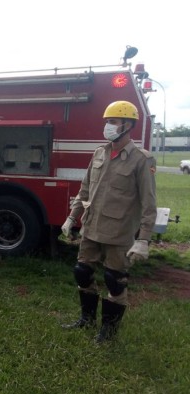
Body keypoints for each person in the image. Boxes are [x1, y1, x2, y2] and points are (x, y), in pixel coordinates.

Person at [61, 100, 157, 343]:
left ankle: (108, 332)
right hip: (91, 228)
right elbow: (85, 190)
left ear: (128, 125)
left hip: (119, 233)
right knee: (82, 272)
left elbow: (149, 203)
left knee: (115, 281)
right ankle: (87, 319)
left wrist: (143, 239)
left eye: (113, 121)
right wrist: (72, 216)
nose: (108, 126)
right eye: (107, 122)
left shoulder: (141, 160)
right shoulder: (99, 153)